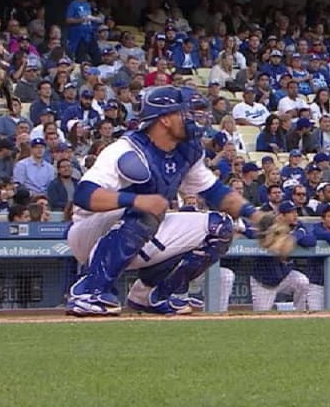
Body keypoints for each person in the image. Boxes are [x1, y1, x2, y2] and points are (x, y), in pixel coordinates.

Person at [65, 86, 265, 316]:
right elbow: (84, 194)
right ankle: (89, 291)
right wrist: (136, 200)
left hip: (144, 227)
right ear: (165, 119)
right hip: (89, 234)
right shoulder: (126, 149)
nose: (196, 118)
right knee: (148, 213)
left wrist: (259, 218)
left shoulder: (185, 151)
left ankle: (151, 294)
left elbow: (216, 193)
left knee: (220, 228)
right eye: (187, 112)